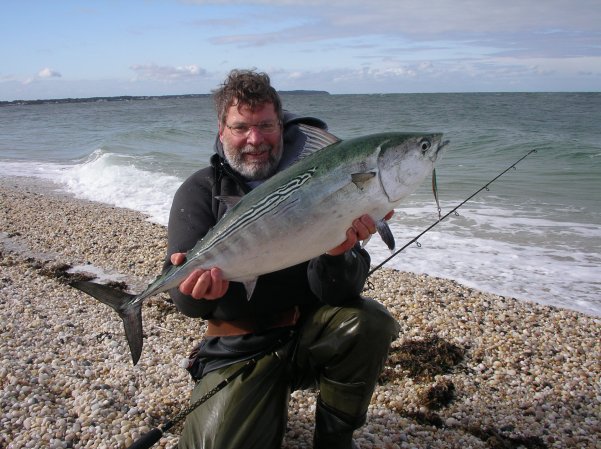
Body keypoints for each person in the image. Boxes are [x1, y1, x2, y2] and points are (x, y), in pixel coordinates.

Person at [164, 69, 400, 449]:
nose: (255, 140)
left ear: (282, 125)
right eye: (241, 127)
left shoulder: (321, 181)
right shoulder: (200, 191)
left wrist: (338, 254)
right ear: (221, 130)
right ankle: (258, 402)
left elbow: (344, 292)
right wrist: (197, 292)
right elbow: (183, 300)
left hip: (309, 337)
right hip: (239, 349)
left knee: (368, 323)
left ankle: (335, 440)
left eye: (267, 125)